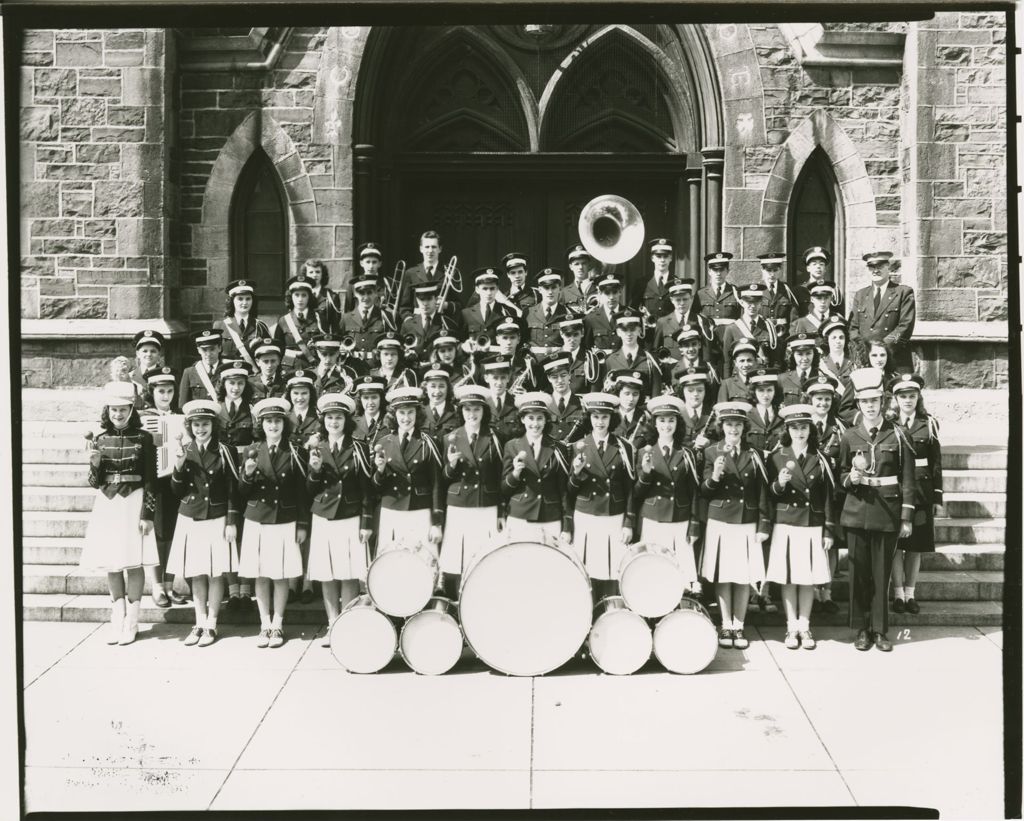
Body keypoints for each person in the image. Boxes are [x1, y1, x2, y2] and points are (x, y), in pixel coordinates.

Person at [838, 368, 917, 653]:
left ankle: (880, 630)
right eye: (864, 402)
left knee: (882, 575)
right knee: (858, 574)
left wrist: (906, 516)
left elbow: (909, 478)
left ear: (882, 402)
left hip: (887, 513)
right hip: (857, 511)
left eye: (874, 401)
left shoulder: (897, 434)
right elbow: (841, 475)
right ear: (858, 404)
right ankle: (861, 628)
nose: (870, 406)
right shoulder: (849, 435)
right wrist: (851, 479)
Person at [80, 381, 159, 646]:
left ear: (131, 409)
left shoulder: (144, 438)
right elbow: (95, 482)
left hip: (134, 501)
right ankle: (118, 620)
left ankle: (132, 622)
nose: (118, 414)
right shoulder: (100, 440)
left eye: (123, 409)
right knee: (113, 563)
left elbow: (151, 479)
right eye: (113, 410)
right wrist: (94, 465)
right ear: (108, 410)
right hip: (109, 503)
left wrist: (148, 514)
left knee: (133, 562)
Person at [167, 399, 241, 647]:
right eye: (196, 424)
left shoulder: (225, 450)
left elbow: (233, 489)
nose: (201, 429)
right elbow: (176, 490)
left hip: (217, 516)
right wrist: (177, 466)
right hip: (191, 516)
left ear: (213, 425)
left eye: (205, 424)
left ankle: (211, 623)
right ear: (190, 426)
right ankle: (198, 622)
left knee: (215, 572)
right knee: (197, 573)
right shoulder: (185, 450)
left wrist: (231, 521)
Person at [699, 400, 771, 650]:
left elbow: (762, 492)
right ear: (722, 426)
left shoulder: (755, 454)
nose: (733, 429)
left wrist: (764, 524)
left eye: (738, 425)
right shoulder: (710, 452)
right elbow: (704, 492)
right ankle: (725, 624)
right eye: (729, 424)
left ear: (744, 427)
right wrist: (716, 476)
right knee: (723, 574)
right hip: (720, 521)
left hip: (746, 522)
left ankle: (738, 625)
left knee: (742, 576)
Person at [238, 397, 309, 648]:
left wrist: (302, 524)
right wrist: (247, 475)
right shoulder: (252, 450)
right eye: (268, 421)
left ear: (284, 424)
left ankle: (278, 624)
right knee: (260, 574)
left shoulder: (296, 451)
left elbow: (303, 492)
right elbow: (241, 492)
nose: (273, 425)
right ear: (262, 424)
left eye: (278, 420)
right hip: (257, 519)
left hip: (285, 519)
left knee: (280, 575)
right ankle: (264, 624)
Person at [306, 391, 374, 642]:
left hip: (350, 515)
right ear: (323, 420)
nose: (333, 422)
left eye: (338, 417)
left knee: (348, 572)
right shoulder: (316, 448)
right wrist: (313, 472)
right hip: (324, 517)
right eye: (329, 417)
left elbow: (368, 489)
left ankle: (347, 621)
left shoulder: (358, 447)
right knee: (327, 572)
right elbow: (309, 490)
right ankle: (332, 623)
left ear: (347, 420)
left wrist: (367, 522)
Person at [766, 404, 835, 649]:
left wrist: (828, 529)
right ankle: (791, 626)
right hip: (786, 523)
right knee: (788, 578)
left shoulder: (821, 458)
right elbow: (768, 495)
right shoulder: (776, 457)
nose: (799, 432)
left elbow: (828, 496)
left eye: (803, 427)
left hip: (811, 524)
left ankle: (804, 626)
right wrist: (779, 484)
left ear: (810, 429)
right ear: (787, 430)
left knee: (807, 579)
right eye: (794, 428)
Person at [567, 392, 636, 600]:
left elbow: (630, 488)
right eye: (595, 417)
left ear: (611, 418)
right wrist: (576, 474)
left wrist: (628, 521)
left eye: (604, 417)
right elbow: (569, 491)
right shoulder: (577, 446)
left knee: (612, 569)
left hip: (613, 516)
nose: (600, 422)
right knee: (587, 569)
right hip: (586, 516)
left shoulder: (624, 447)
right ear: (589, 418)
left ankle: (610, 613)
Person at [439, 385, 506, 597]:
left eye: (477, 409)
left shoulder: (494, 438)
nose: (472, 414)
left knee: (483, 558)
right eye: (467, 409)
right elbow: (444, 479)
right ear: (461, 412)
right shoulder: (450, 437)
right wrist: (451, 465)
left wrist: (501, 512)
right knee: (458, 559)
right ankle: (458, 603)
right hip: (460, 507)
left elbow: (500, 476)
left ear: (484, 411)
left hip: (485, 505)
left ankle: (481, 600)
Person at [633, 394, 702, 594]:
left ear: (677, 423)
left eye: (671, 420)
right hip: (654, 519)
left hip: (679, 520)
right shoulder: (644, 452)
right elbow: (637, 493)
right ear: (654, 424)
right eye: (661, 420)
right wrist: (646, 473)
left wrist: (694, 525)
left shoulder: (686, 453)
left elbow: (694, 492)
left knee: (679, 571)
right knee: (653, 569)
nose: (666, 425)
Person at [890, 373, 943, 615]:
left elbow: (935, 463)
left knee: (915, 546)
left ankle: (910, 594)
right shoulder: (889, 423)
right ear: (896, 399)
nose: (907, 401)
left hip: (921, 492)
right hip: (897, 491)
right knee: (895, 545)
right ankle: (898, 594)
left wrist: (937, 496)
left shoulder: (928, 423)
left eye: (912, 396)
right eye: (903, 396)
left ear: (918, 397)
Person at [370, 386, 444, 559]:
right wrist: (380, 470)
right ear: (394, 415)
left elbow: (436, 485)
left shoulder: (428, 442)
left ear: (417, 415)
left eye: (410, 412)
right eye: (401, 413)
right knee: (392, 560)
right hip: (392, 510)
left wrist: (437, 522)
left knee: (422, 561)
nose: (406, 418)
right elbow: (375, 487)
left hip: (419, 510)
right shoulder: (384, 442)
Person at [138, 366, 187, 609]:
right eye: (160, 392)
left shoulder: (180, 417)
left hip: (174, 482)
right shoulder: (145, 417)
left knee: (174, 533)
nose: (165, 396)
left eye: (169, 391)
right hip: (154, 481)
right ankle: (157, 586)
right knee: (158, 534)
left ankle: (170, 585)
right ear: (152, 392)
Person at [501, 392, 573, 545]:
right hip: (520, 516)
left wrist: (567, 526)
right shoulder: (512, 446)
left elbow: (563, 490)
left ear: (546, 420)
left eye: (540, 418)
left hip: (550, 517)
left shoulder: (557, 447)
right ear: (522, 419)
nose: (535, 423)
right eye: (530, 418)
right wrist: (515, 473)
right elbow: (504, 489)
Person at [217, 359, 256, 615]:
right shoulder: (216, 409)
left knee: (246, 530)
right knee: (226, 532)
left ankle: (245, 587)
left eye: (240, 383)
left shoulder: (252, 411)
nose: (235, 387)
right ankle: (232, 588)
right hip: (221, 476)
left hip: (246, 475)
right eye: (231, 383)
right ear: (224, 385)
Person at [805, 374, 845, 615]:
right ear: (810, 400)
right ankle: (811, 590)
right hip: (808, 493)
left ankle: (826, 592)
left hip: (832, 494)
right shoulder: (801, 425)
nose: (822, 404)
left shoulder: (839, 427)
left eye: (827, 399)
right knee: (809, 544)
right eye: (818, 399)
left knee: (830, 545)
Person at [847, 251, 916, 371]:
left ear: (888, 266)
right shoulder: (861, 295)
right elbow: (853, 328)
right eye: (871, 267)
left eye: (880, 266)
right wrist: (865, 351)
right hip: (866, 359)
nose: (875, 270)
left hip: (895, 358)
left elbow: (906, 326)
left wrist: (882, 348)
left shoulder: (903, 292)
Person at [694, 251, 741, 373]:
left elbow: (741, 319)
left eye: (722, 269)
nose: (718, 273)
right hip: (708, 345)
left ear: (727, 271)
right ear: (709, 271)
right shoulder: (700, 294)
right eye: (715, 270)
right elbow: (695, 319)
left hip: (730, 342)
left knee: (728, 373)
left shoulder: (736, 292)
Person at [721, 283, 782, 374]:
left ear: (761, 303)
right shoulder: (732, 329)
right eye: (749, 302)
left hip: (762, 377)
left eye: (756, 302)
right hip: (739, 378)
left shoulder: (769, 327)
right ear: (741, 303)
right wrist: (729, 384)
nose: (753, 306)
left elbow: (776, 360)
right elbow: (727, 362)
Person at [602, 310, 663, 396]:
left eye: (633, 329)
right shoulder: (610, 360)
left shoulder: (651, 359)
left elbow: (656, 393)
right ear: (618, 332)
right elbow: (606, 391)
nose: (629, 334)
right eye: (624, 330)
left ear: (639, 331)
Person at [400, 230, 459, 317]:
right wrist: (409, 321)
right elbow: (404, 307)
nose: (430, 250)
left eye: (434, 247)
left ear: (440, 249)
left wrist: (446, 305)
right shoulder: (410, 273)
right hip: (417, 325)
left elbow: (459, 305)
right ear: (421, 249)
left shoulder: (450, 272)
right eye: (427, 247)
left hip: (441, 325)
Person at [215, 279, 270, 368]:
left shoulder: (260, 326)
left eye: (248, 299)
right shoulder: (220, 326)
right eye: (240, 299)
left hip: (253, 373)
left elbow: (267, 355)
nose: (244, 303)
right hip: (228, 373)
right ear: (232, 301)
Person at [273, 274, 324, 370]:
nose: (300, 299)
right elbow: (278, 349)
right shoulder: (283, 320)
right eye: (296, 295)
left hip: (313, 366)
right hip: (288, 367)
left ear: (309, 297)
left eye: (304, 295)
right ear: (291, 297)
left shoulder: (319, 318)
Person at [341, 273, 386, 366]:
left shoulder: (384, 316)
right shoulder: (346, 318)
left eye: (369, 292)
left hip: (376, 366)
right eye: (361, 293)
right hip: (352, 366)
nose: (365, 297)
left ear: (375, 294)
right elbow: (339, 342)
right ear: (355, 294)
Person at [757, 252, 800, 351]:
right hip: (762, 339)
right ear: (762, 270)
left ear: (780, 270)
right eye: (768, 270)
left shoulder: (787, 290)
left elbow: (794, 319)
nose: (772, 274)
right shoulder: (757, 291)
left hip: (783, 339)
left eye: (775, 270)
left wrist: (791, 340)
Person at [524, 268, 568, 357]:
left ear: (560, 288)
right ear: (540, 289)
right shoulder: (528, 313)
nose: (550, 292)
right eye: (546, 288)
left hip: (558, 363)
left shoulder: (567, 313)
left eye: (554, 287)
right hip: (534, 363)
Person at [543, 354, 587, 443]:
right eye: (554, 377)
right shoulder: (544, 405)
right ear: (548, 379)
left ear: (569, 375)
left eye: (563, 375)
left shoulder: (582, 404)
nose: (560, 380)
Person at [481, 354, 524, 442]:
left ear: (508, 378)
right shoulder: (481, 403)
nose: (499, 382)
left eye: (503, 378)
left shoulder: (516, 403)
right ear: (486, 378)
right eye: (495, 378)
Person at [638, 237, 676, 327]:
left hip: (669, 334)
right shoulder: (642, 283)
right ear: (652, 258)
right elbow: (634, 309)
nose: (662, 260)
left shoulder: (676, 283)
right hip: (648, 336)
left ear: (671, 258)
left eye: (666, 256)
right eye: (658, 256)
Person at [610, 370, 653, 447]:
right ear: (618, 393)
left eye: (635, 394)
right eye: (627, 394)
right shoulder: (609, 416)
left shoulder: (646, 418)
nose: (631, 399)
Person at [179, 329, 223, 403]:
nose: (208, 354)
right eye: (204, 350)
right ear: (198, 350)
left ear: (219, 348)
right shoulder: (189, 372)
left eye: (212, 349)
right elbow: (183, 405)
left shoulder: (226, 371)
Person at [301, 258, 344, 334]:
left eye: (317, 272)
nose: (314, 275)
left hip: (324, 340)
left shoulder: (331, 297)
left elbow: (335, 325)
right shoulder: (300, 296)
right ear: (305, 275)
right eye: (311, 272)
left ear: (322, 274)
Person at [583, 274, 624, 353]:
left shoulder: (629, 315)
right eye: (607, 293)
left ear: (620, 292)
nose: (611, 297)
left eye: (615, 292)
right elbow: (587, 348)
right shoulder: (591, 318)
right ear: (599, 293)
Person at [778, 334, 820, 406]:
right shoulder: (782, 379)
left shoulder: (820, 377)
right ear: (793, 355)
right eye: (800, 354)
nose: (805, 358)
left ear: (814, 354)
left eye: (808, 353)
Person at [421, 367, 459, 439]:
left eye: (441, 386)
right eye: (433, 386)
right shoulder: (420, 411)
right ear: (426, 389)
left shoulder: (456, 411)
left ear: (447, 388)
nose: (437, 391)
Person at [717, 338, 759, 402]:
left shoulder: (761, 382)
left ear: (755, 361)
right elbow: (721, 409)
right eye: (742, 361)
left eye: (749, 360)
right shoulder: (727, 384)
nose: (746, 364)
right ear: (735, 363)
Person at [130, 330, 165, 406]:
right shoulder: (130, 377)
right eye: (145, 351)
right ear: (138, 354)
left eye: (153, 351)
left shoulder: (165, 376)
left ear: (159, 354)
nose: (149, 354)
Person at [561, 243, 598, 311]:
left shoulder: (599, 289)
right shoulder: (564, 292)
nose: (580, 267)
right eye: (576, 264)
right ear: (571, 267)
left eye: (584, 263)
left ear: (589, 265)